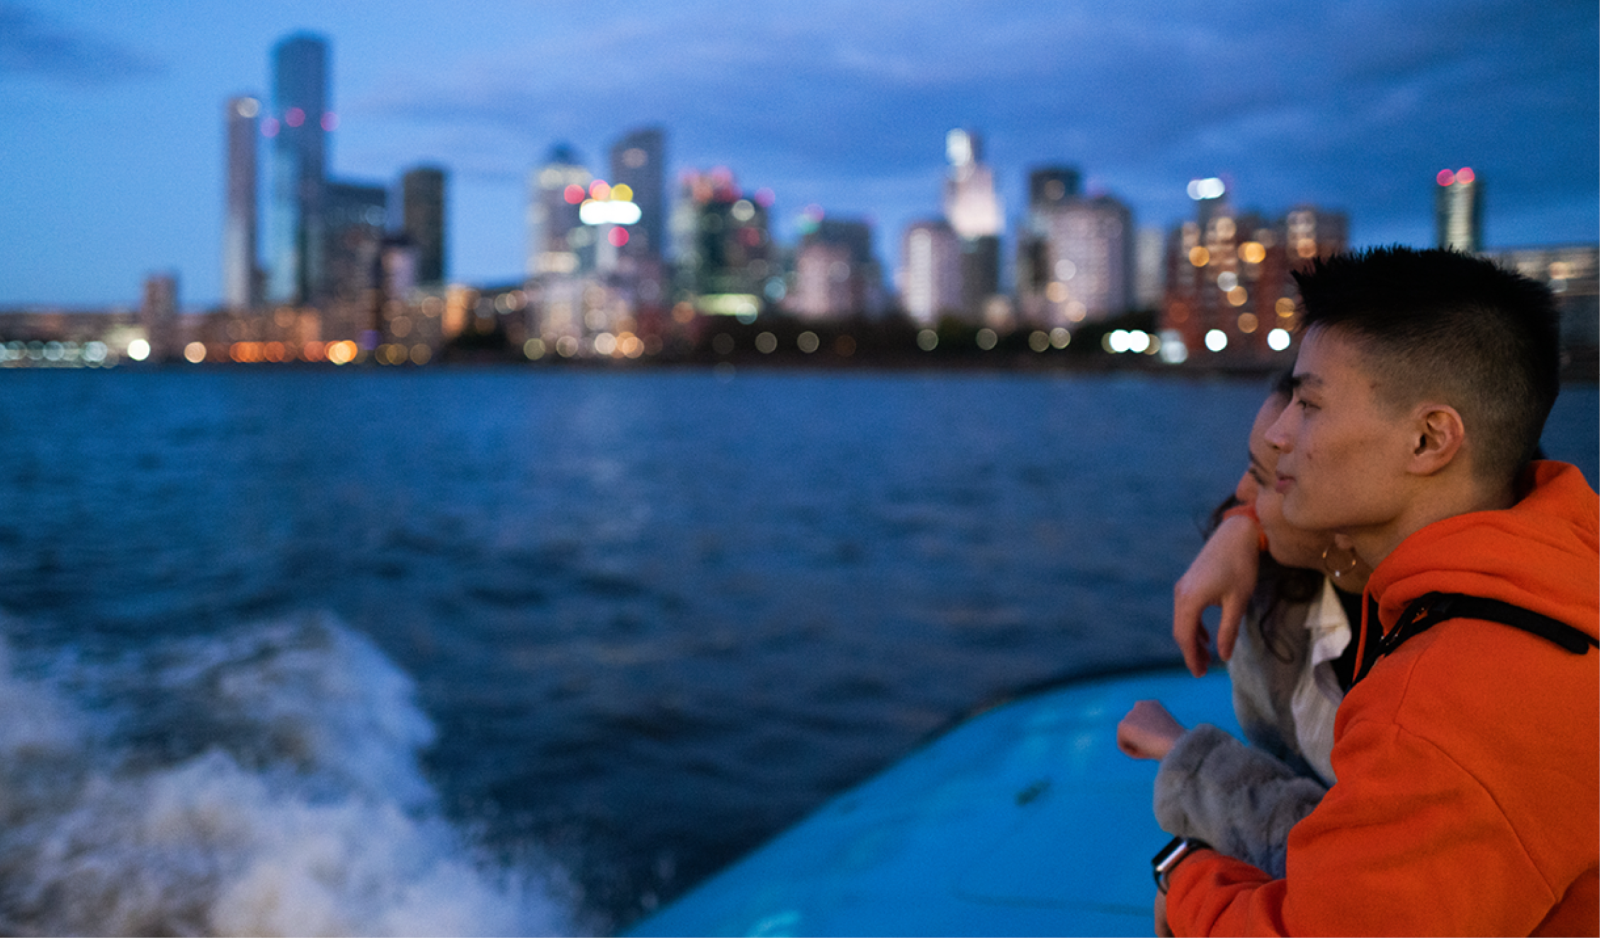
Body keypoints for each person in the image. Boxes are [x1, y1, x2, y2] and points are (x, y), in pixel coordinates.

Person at [1155, 246, 1598, 936]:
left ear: (1428, 440)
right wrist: (1244, 526)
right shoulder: (1560, 568)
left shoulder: (1438, 706)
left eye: (1308, 403)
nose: (1278, 434)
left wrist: (1184, 878)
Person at [1116, 375, 1371, 878]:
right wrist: (1244, 525)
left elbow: (1356, 870)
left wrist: (1186, 759)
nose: (1240, 492)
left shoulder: (1443, 656)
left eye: (1269, 475)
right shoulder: (1276, 593)